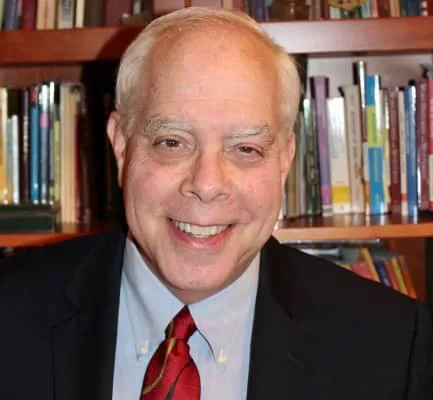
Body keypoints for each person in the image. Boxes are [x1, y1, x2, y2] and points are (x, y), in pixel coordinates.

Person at [0, 7, 432, 400]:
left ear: (284, 160)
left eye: (246, 149)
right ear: (121, 147)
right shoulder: (9, 314)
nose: (207, 185)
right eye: (172, 142)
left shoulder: (398, 348)